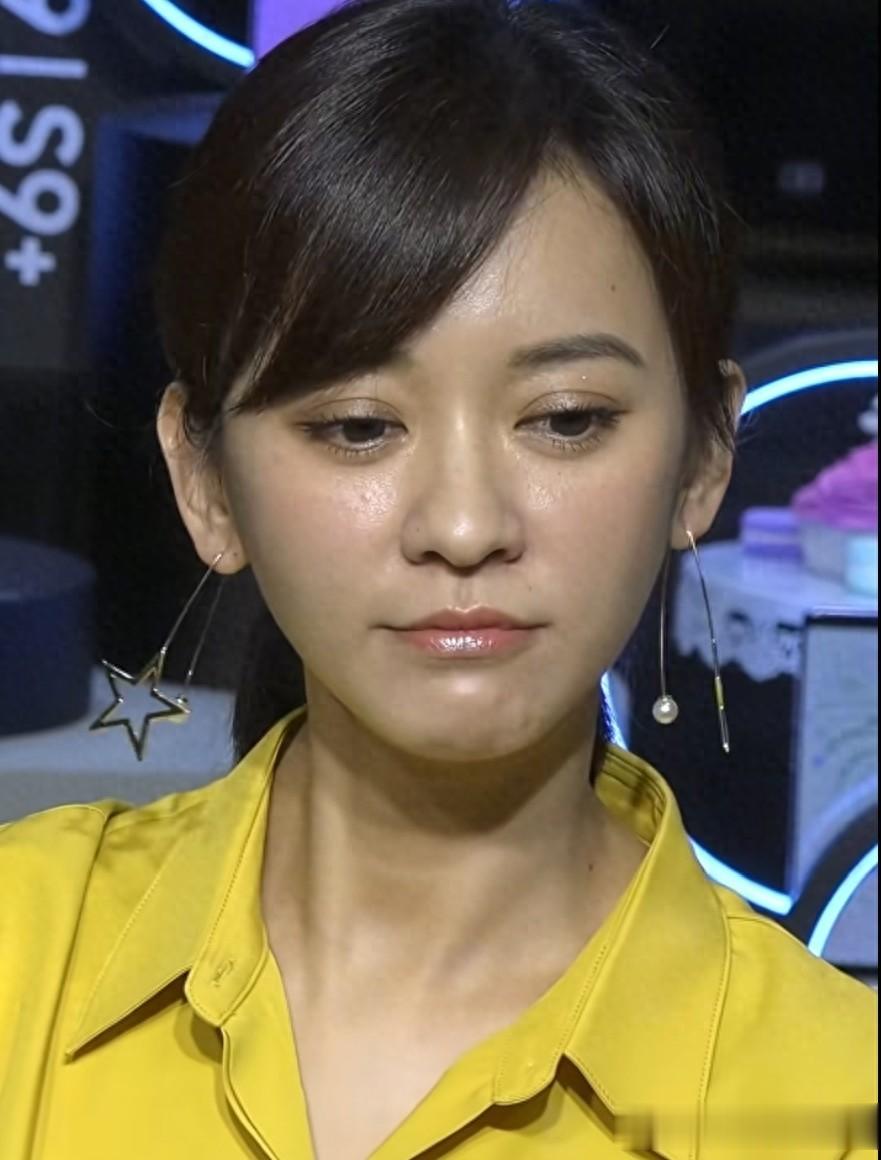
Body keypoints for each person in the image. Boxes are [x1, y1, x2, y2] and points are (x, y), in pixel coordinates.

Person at [1, 1, 875, 1158]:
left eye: (564, 419)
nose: (463, 526)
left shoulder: (834, 1096)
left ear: (705, 452)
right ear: (203, 477)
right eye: (359, 426)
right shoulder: (23, 955)